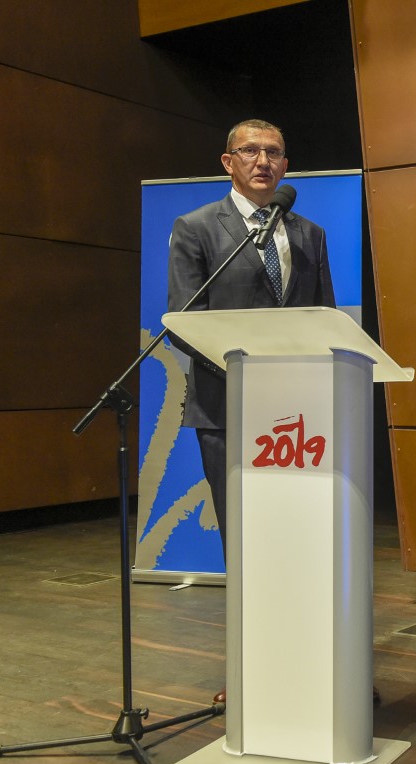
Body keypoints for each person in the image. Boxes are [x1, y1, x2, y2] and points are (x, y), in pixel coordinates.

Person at [167, 119, 337, 706]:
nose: (263, 161)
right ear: (228, 162)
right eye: (250, 151)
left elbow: (323, 318)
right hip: (228, 410)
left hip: (299, 419)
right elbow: (184, 322)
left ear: (286, 165)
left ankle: (313, 664)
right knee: (246, 544)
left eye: (274, 153)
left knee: (302, 540)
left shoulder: (309, 234)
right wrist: (248, 374)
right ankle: (250, 672)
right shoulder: (196, 228)